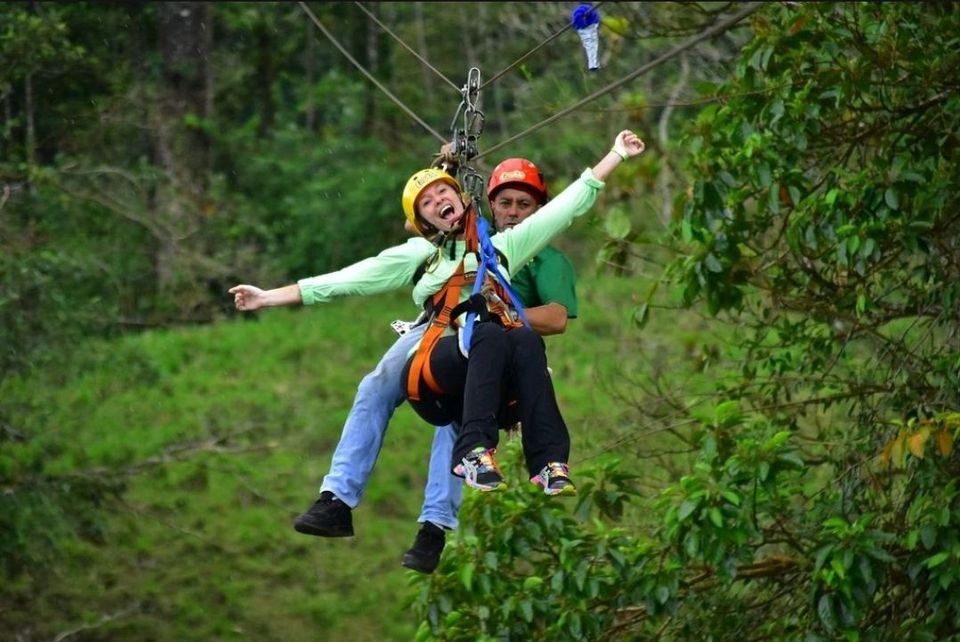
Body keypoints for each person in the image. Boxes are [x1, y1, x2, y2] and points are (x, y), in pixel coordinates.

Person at [229, 128, 645, 565]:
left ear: (465, 200)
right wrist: (269, 296)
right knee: (375, 386)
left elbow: (565, 208)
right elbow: (347, 279)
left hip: (479, 339)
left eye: (445, 194)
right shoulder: (419, 255)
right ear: (423, 223)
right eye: (427, 204)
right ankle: (336, 500)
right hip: (430, 335)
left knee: (471, 403)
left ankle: (434, 530)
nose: (438, 202)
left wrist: (616, 153)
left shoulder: (502, 247)